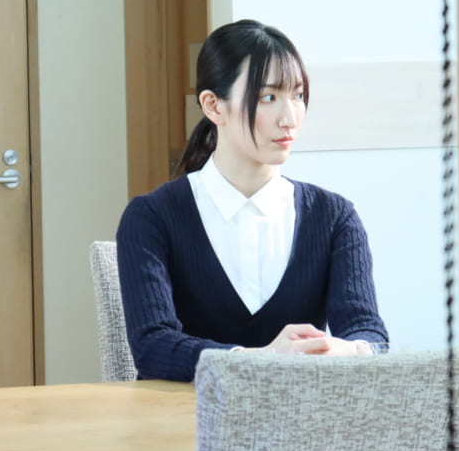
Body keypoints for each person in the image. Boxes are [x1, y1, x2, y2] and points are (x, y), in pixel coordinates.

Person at [116, 19, 388, 382]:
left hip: (300, 415)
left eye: (298, 96)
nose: (289, 118)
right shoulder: (152, 217)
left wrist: (346, 350)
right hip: (187, 415)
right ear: (214, 106)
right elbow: (152, 347)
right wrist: (262, 359)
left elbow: (368, 334)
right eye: (268, 98)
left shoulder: (334, 217)